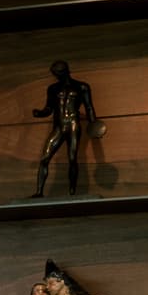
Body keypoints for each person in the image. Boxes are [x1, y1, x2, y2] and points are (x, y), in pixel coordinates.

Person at [31, 57, 100, 198]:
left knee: (72, 158)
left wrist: (94, 125)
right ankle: (39, 192)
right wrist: (40, 113)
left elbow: (89, 108)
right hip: (59, 126)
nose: (55, 76)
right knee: (45, 158)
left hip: (73, 125)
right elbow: (49, 108)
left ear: (64, 72)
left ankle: (72, 192)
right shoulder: (52, 89)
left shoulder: (82, 87)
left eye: (57, 73)